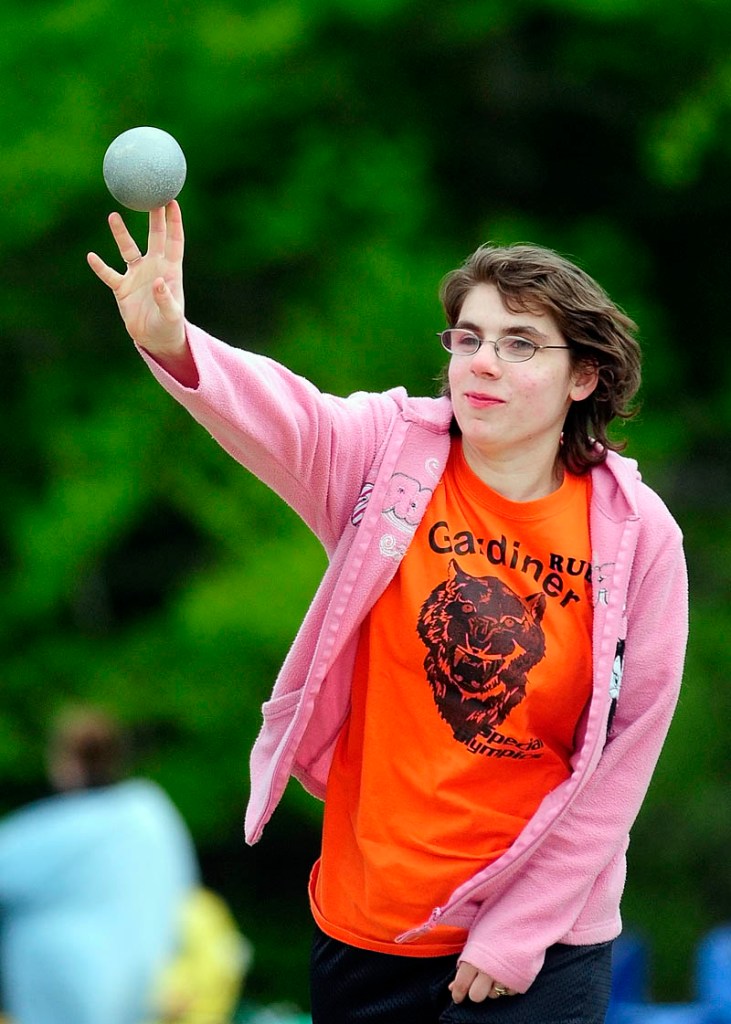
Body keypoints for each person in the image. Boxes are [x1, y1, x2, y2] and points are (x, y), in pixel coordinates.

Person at [88, 202, 688, 1024]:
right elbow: (286, 412)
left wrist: (516, 934)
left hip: (535, 945)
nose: (482, 362)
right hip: (367, 928)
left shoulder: (635, 533)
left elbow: (626, 754)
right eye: (468, 338)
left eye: (519, 344)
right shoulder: (387, 454)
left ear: (582, 377)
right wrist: (173, 339)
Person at [0, 707, 199, 1024]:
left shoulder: (53, 832)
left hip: (65, 1000)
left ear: (67, 763)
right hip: (143, 996)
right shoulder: (151, 815)